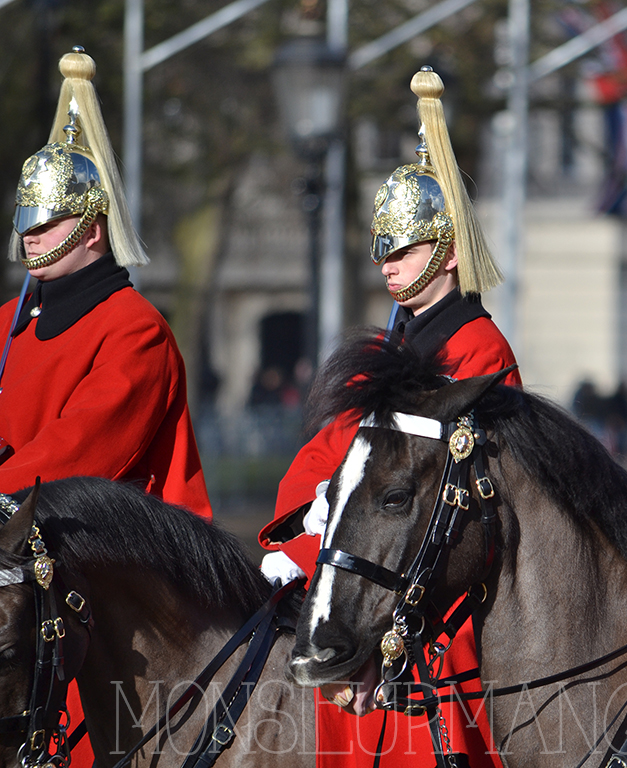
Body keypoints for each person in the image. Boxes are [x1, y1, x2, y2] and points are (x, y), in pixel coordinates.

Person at [259, 67, 517, 768]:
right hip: (362, 557)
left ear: (450, 250)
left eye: (404, 249)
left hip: (425, 592)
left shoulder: (477, 347)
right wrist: (298, 528)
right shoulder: (398, 343)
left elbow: (447, 499)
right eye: (385, 249)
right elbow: (329, 448)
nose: (389, 265)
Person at [0, 46, 212, 768]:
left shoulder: (135, 329)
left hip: (116, 587)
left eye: (49, 220)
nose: (31, 232)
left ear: (91, 228)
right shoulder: (5, 323)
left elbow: (82, 451)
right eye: (27, 218)